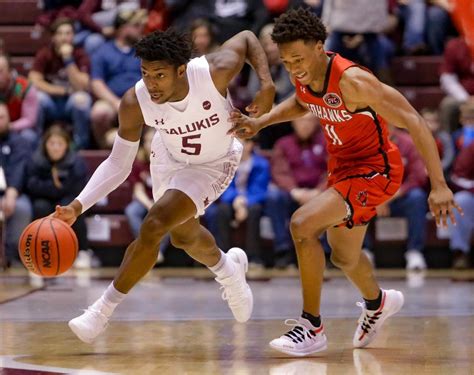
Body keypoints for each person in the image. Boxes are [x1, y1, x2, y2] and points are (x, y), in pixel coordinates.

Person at [228, 7, 461, 356]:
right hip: (343, 169)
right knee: (344, 256)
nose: (294, 68)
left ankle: (311, 326)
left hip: (376, 171)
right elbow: (302, 101)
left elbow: (413, 120)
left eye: (298, 59)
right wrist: (263, 123)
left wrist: (439, 185)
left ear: (320, 46)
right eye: (287, 62)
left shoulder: (354, 82)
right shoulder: (304, 73)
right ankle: (377, 302)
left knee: (302, 225)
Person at [54, 28, 275, 344]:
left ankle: (100, 312)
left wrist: (266, 86)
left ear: (181, 70)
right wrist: (78, 205)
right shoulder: (135, 100)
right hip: (168, 157)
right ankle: (229, 270)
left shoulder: (213, 72)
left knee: (155, 224)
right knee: (184, 237)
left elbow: (246, 37)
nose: (151, 83)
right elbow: (118, 164)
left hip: (214, 162)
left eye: (159, 75)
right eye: (145, 73)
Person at [266, 113, 327, 268]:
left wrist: (318, 191)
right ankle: (282, 251)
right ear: (293, 122)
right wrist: (293, 190)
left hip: (319, 194)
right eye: (301, 120)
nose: (304, 125)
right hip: (292, 193)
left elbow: (334, 170)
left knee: (337, 196)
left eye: (309, 121)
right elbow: (279, 171)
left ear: (316, 123)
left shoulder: (328, 142)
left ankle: (327, 252)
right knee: (274, 197)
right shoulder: (283, 144)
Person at [25, 125, 90, 266]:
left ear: (66, 145)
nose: (55, 148)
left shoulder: (76, 162)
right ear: (45, 145)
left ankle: (83, 251)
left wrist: (53, 188)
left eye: (60, 144)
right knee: (39, 207)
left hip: (67, 198)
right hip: (44, 199)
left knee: (73, 208)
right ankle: (41, 251)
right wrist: (55, 188)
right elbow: (31, 184)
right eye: (52, 143)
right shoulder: (35, 160)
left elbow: (79, 187)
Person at [29, 18, 92, 150]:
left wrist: (68, 59)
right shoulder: (45, 54)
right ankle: (37, 143)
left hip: (70, 103)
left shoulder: (80, 54)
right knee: (38, 98)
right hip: (51, 102)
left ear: (73, 36)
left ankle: (80, 145)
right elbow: (33, 81)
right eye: (60, 33)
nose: (64, 37)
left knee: (82, 100)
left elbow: (82, 86)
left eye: (68, 33)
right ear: (53, 37)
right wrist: (63, 91)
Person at [206, 138, 270, 267]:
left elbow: (260, 188)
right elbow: (222, 185)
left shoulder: (261, 163)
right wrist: (236, 199)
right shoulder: (226, 162)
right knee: (222, 210)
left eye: (244, 142)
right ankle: (223, 256)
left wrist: (244, 201)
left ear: (251, 144)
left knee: (255, 210)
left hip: (252, 199)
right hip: (231, 200)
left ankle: (254, 257)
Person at [90, 9, 146, 148]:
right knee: (99, 113)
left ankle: (143, 147)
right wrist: (116, 102)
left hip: (140, 99)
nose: (141, 29)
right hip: (112, 100)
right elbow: (96, 82)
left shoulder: (144, 51)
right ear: (123, 28)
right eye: (136, 25)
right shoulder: (103, 51)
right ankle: (104, 148)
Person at [0, 103, 32, 266]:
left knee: (22, 208)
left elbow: (19, 168)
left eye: (1, 117)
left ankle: (14, 257)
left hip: (13, 193)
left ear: (9, 119)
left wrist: (11, 193)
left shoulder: (19, 142)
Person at [0, 53, 39, 146]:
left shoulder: (24, 87)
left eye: (0, 71)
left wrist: (8, 126)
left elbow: (29, 120)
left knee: (28, 136)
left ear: (10, 71)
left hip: (16, 129)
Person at [448, 141, 473, 269]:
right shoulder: (471, 148)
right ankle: (460, 253)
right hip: (472, 194)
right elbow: (457, 176)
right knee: (460, 201)